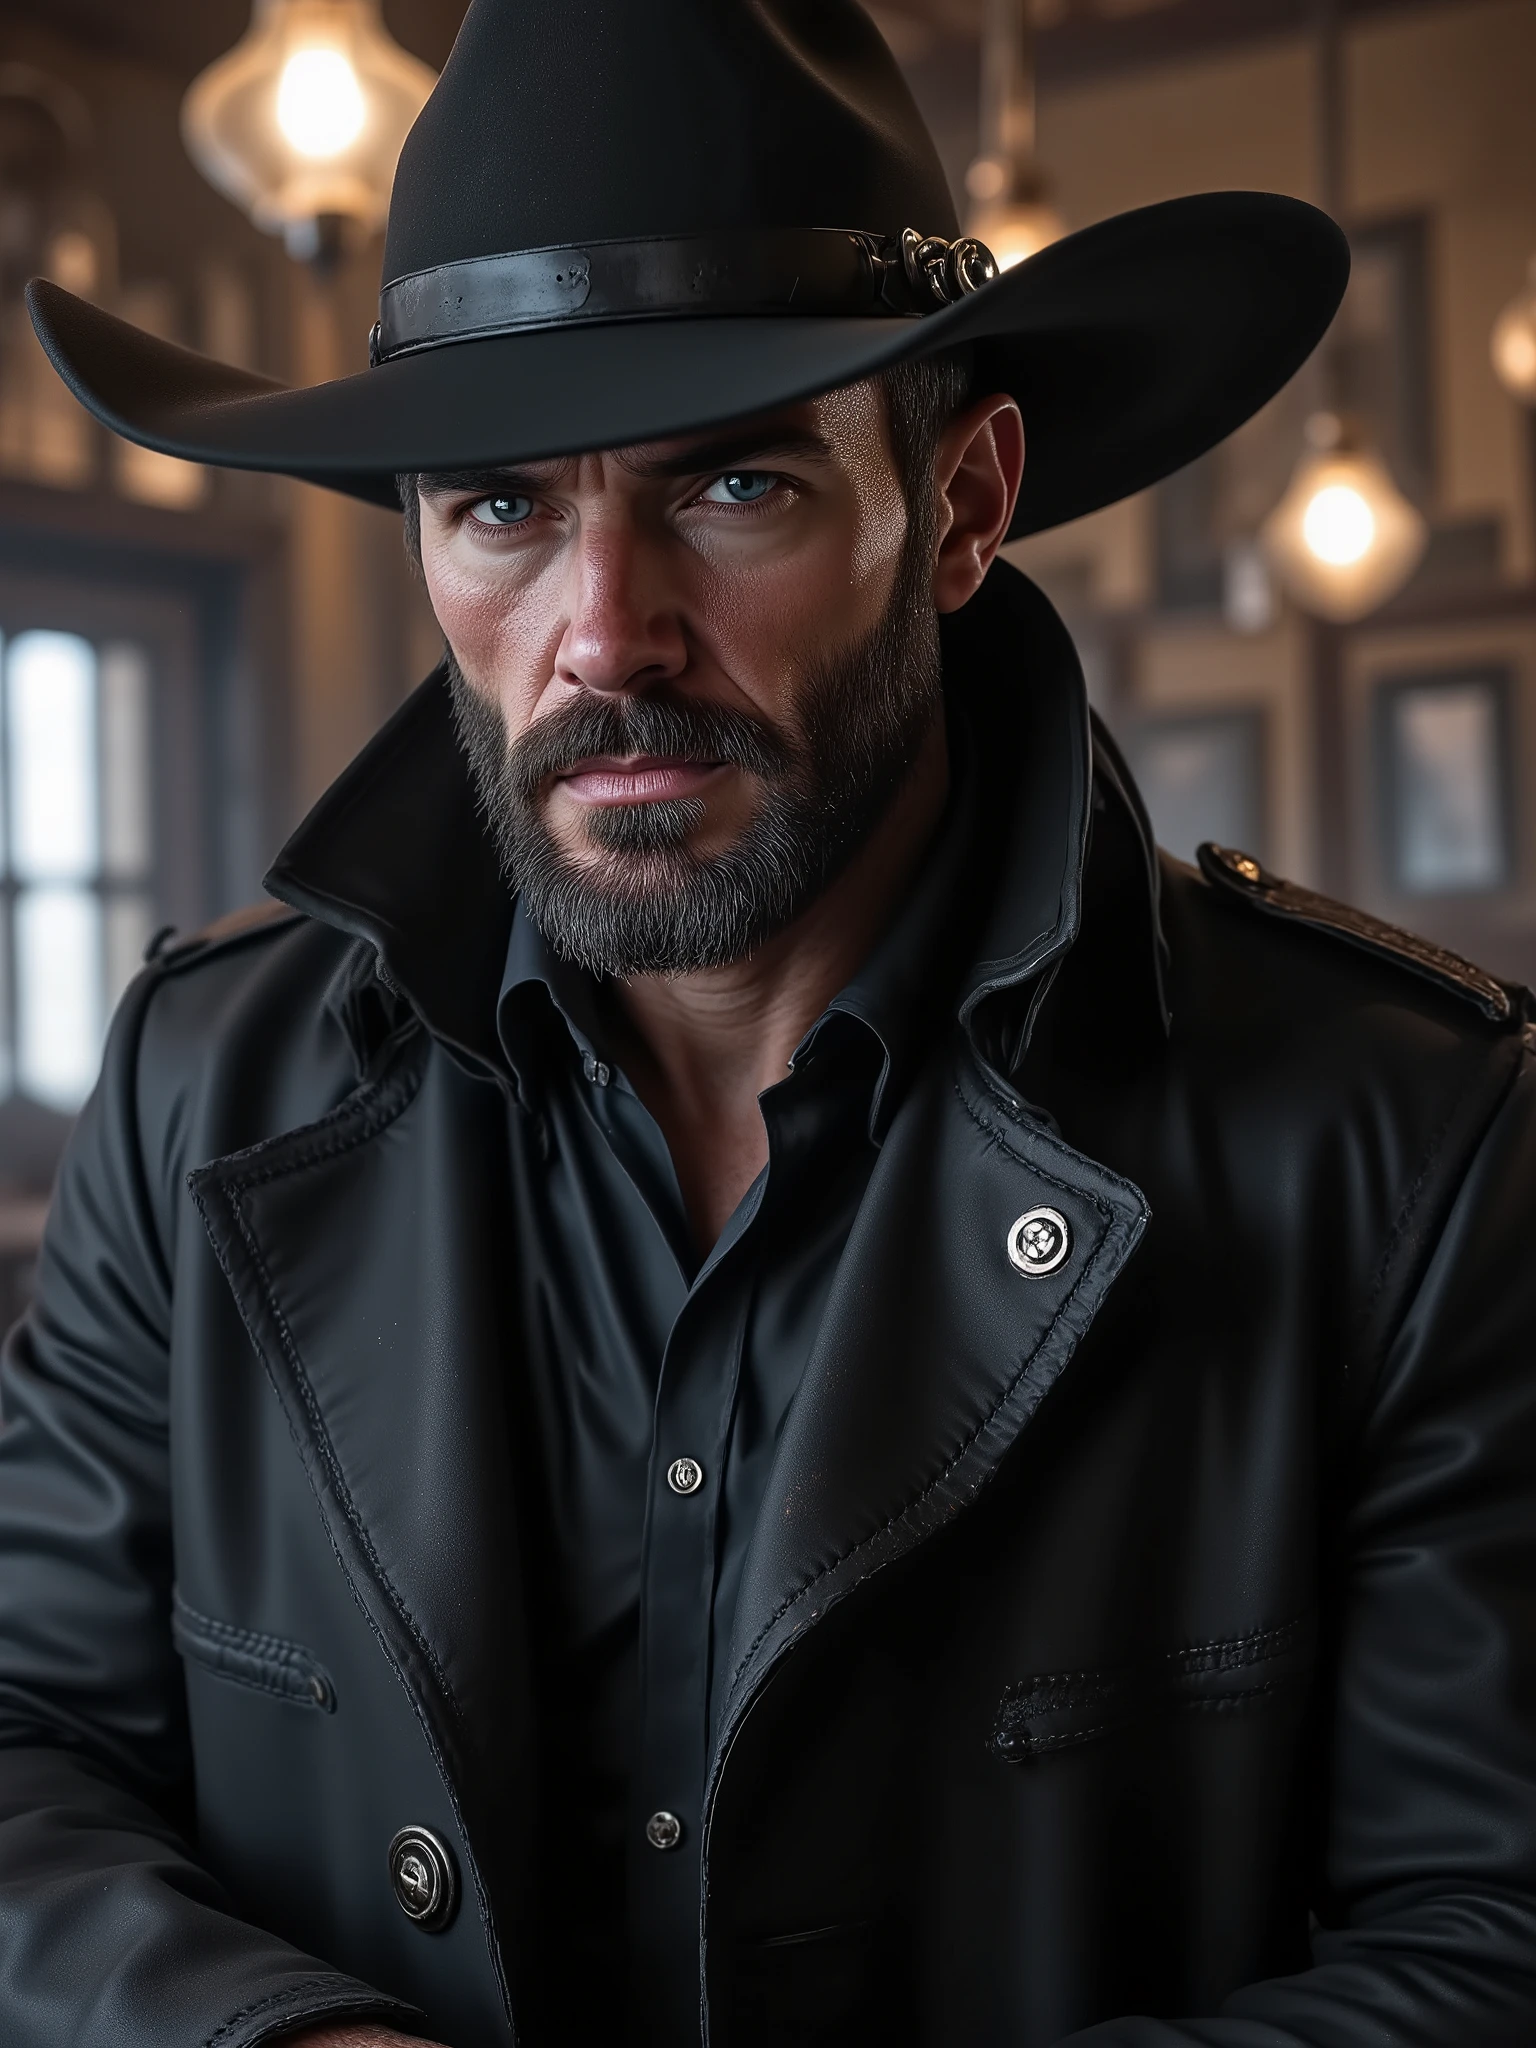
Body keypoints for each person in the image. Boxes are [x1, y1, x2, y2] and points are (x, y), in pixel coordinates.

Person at [8, 1, 1536, 2044]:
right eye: (500, 509)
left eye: (731, 485)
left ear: (965, 501)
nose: (605, 628)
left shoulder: (1404, 1137)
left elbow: (1486, 1935)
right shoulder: (205, 1095)